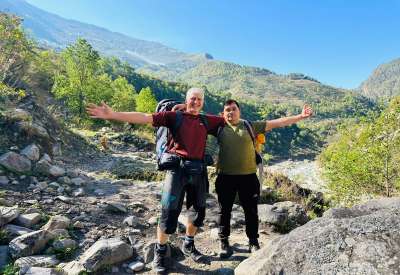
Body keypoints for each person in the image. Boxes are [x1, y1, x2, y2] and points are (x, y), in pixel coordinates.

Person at [86, 88, 225, 274]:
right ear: (187, 100)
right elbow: (144, 116)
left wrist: (266, 127)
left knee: (197, 212)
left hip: (198, 172)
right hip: (176, 171)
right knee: (168, 213)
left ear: (203, 102)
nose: (196, 102)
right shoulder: (173, 117)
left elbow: (233, 122)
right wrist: (113, 115)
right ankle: (160, 252)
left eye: (199, 99)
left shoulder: (206, 120)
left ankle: (189, 245)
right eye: (193, 99)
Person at [216, 99, 313, 258]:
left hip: (248, 177)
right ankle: (224, 241)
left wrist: (300, 116)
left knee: (251, 211)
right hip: (225, 177)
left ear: (239, 111)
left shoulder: (250, 126)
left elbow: (278, 123)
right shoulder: (218, 126)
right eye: (227, 110)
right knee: (224, 211)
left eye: (234, 109)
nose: (230, 112)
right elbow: (196, 121)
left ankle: (253, 241)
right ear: (223, 113)